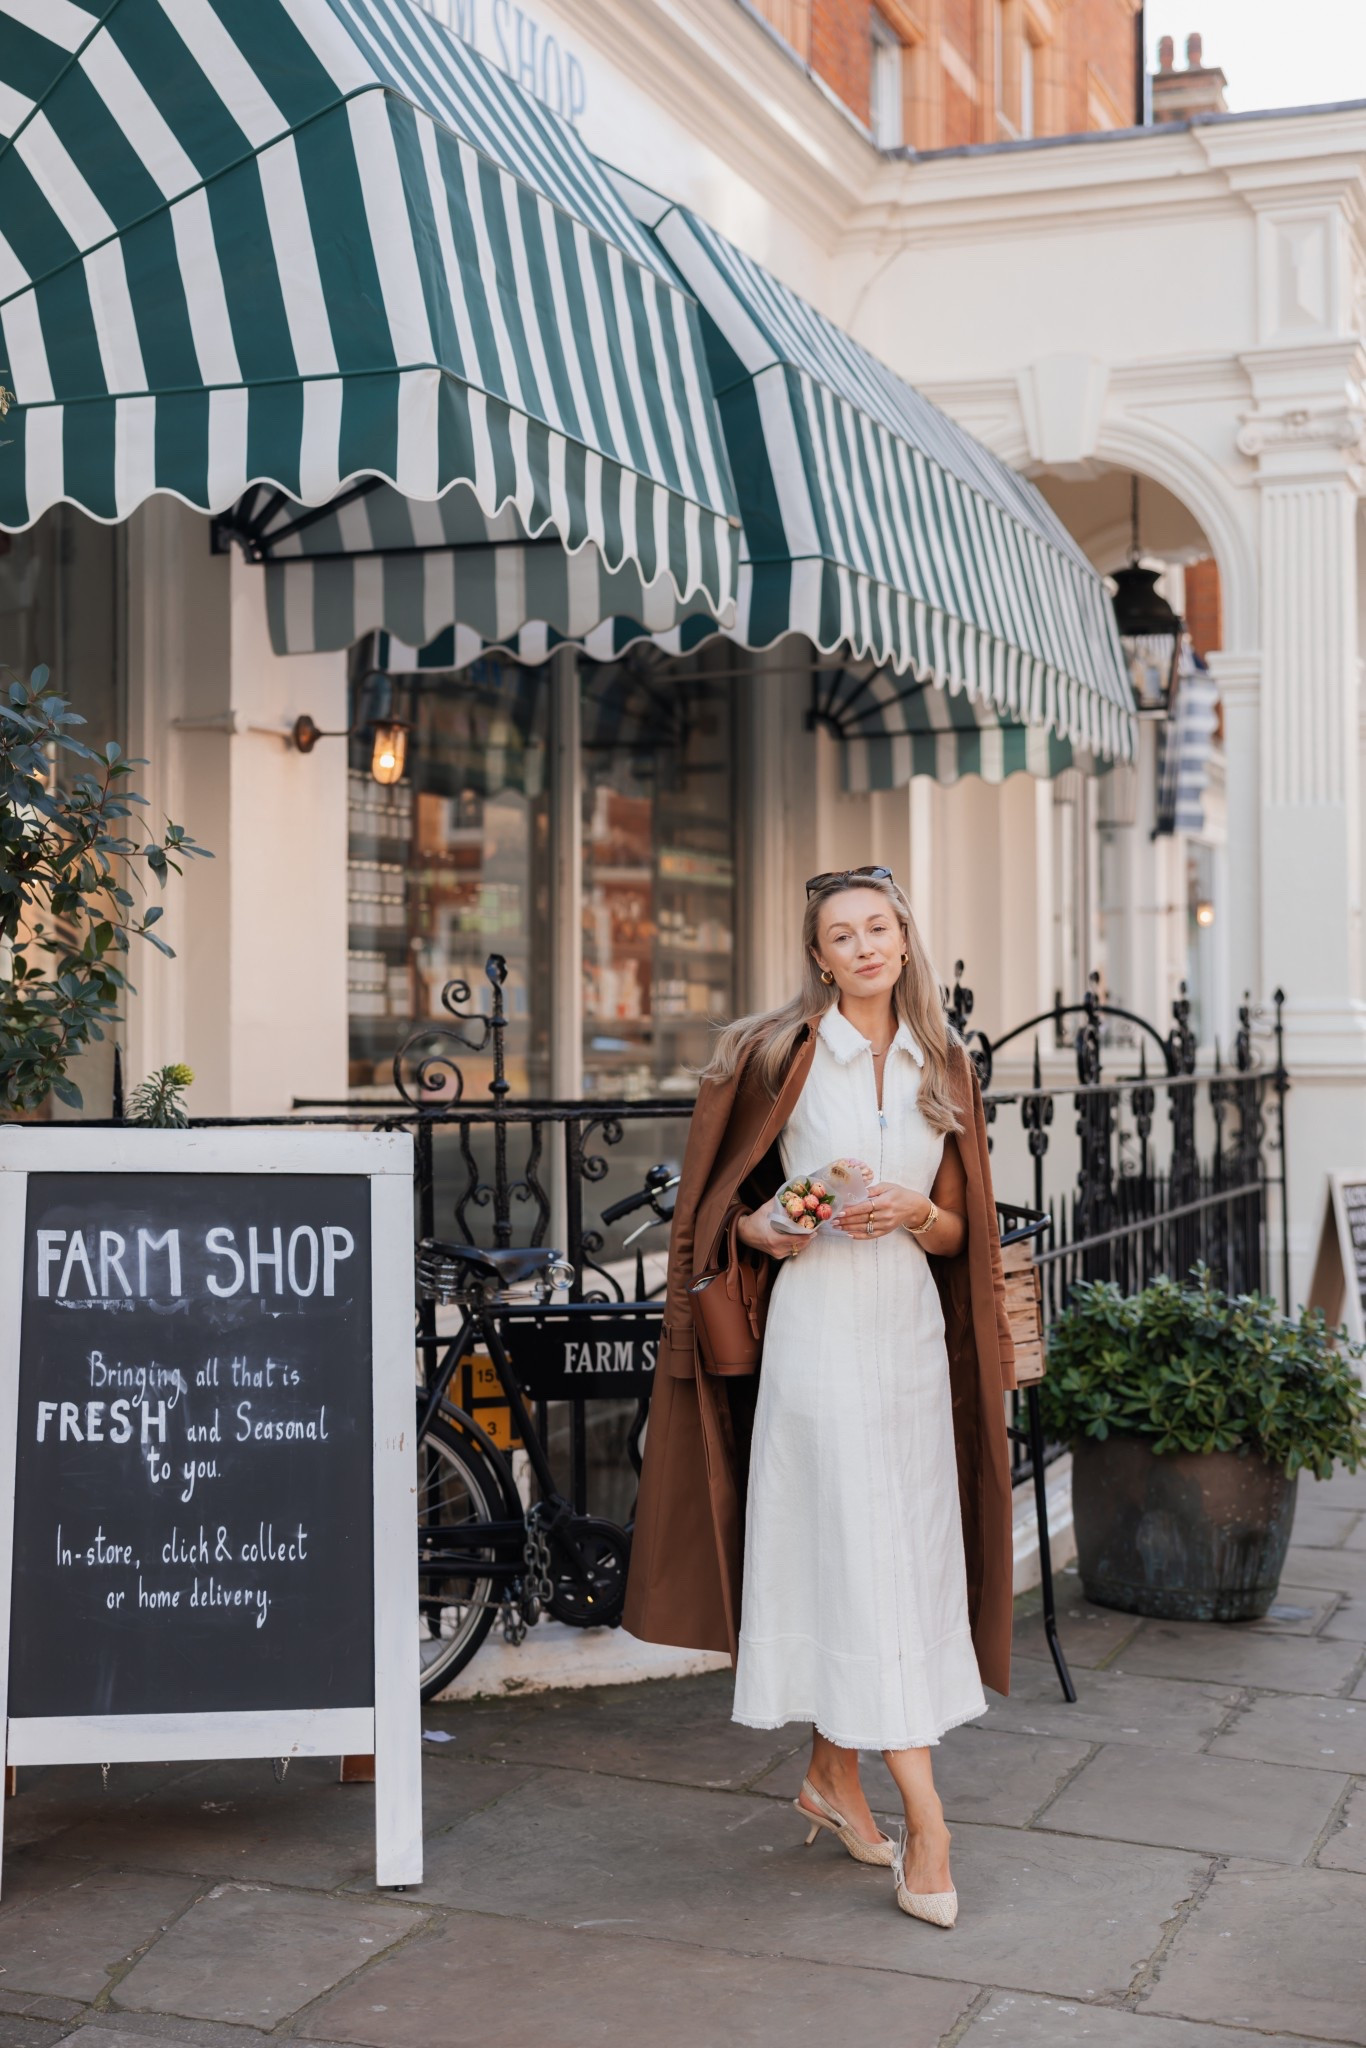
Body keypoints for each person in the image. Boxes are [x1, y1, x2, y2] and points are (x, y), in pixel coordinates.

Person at [622, 867, 1016, 1930]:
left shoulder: (944, 1059)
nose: (864, 946)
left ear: (903, 937)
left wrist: (909, 1214)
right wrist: (762, 1228)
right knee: (869, 1554)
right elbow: (722, 1207)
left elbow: (958, 1229)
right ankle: (928, 1821)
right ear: (819, 954)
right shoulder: (780, 1054)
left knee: (893, 1552)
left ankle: (832, 1777)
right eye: (841, 934)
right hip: (815, 1337)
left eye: (878, 927)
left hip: (907, 1338)